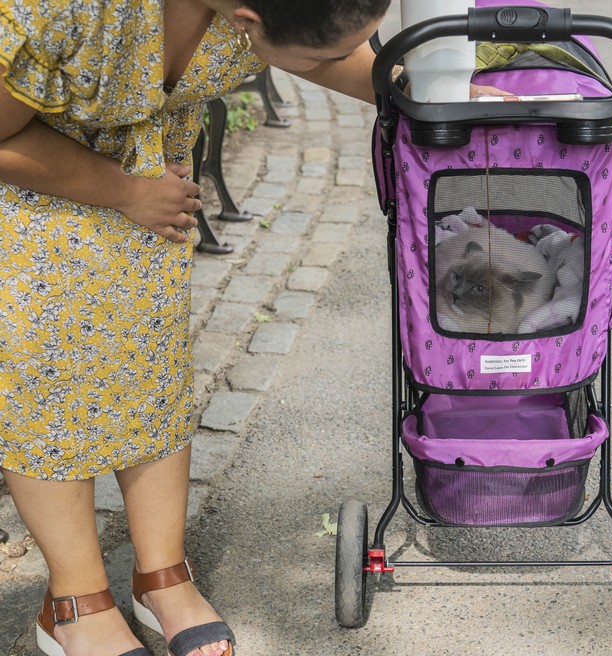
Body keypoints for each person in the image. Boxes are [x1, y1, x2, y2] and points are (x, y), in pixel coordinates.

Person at [0, 1, 391, 655]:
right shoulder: (63, 9)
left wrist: (442, 94)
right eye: (323, 56)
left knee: (151, 372)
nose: (344, 62)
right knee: (47, 385)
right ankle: (75, 599)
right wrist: (122, 190)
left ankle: (162, 575)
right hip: (39, 194)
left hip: (150, 196)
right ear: (247, 20)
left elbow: (340, 54)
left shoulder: (264, 8)